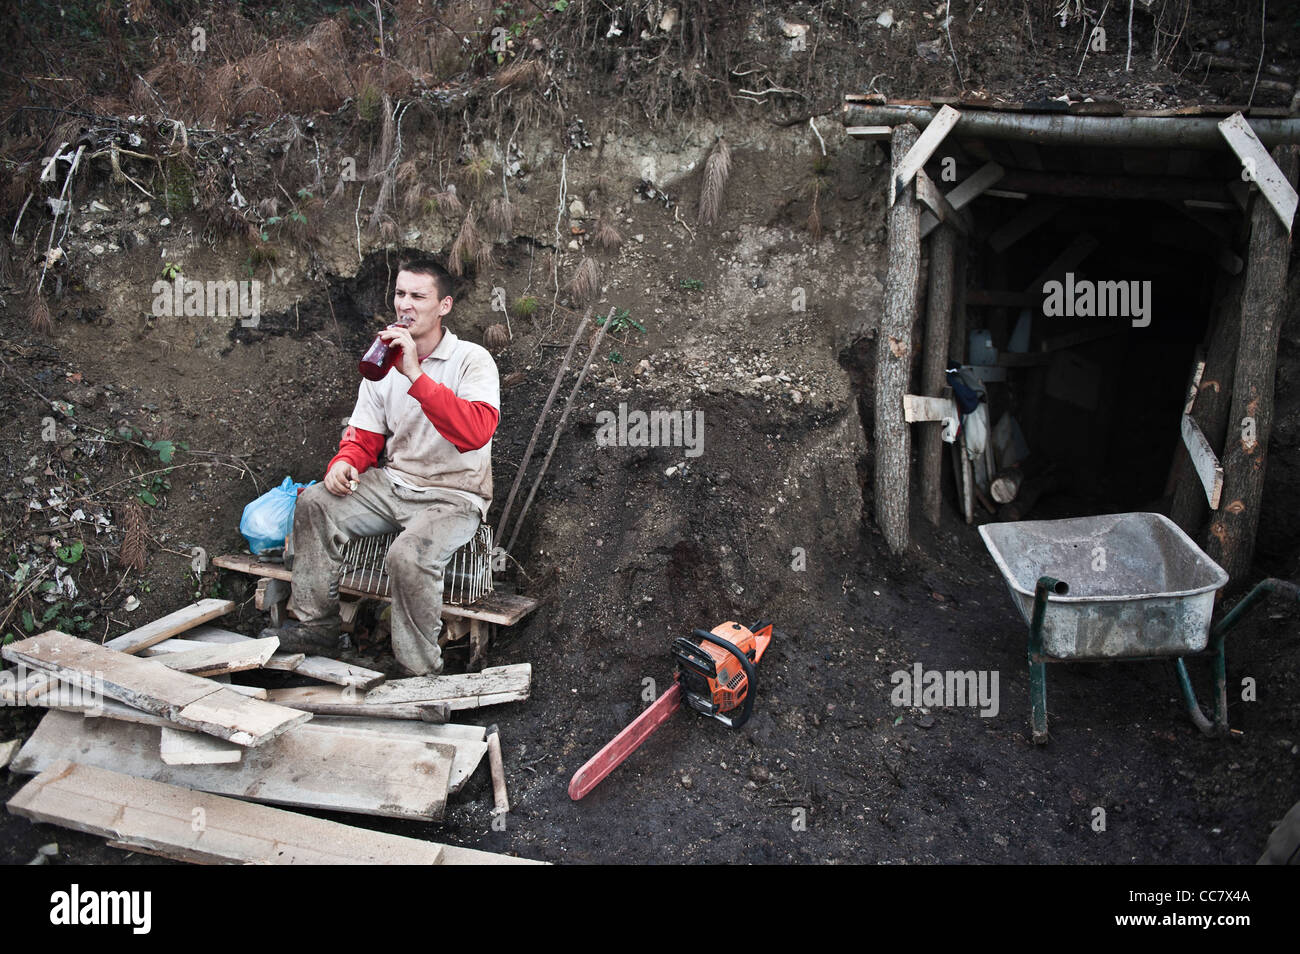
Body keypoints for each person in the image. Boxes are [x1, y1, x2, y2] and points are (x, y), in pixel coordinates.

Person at [263, 258, 500, 675]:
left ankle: (419, 670)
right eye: (399, 294)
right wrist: (344, 462)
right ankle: (317, 626)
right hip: (394, 484)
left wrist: (415, 374)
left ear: (443, 305)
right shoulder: (382, 362)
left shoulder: (471, 360)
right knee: (316, 502)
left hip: (454, 496)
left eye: (417, 296)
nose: (404, 305)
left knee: (408, 556)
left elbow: (475, 432)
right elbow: (365, 435)